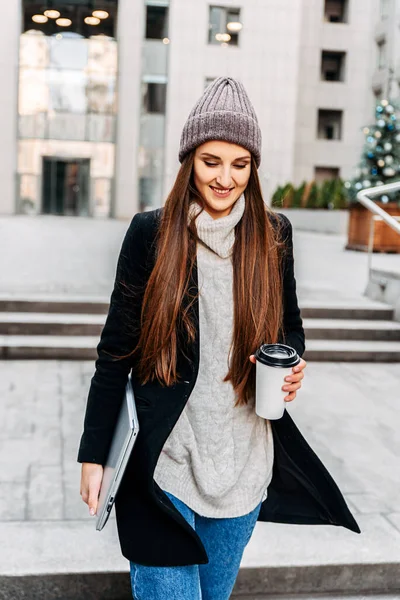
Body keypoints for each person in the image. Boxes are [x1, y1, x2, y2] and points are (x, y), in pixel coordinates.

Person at [78, 77, 360, 600]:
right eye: (211, 161)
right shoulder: (151, 234)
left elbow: (290, 326)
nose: (225, 177)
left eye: (239, 163)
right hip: (162, 463)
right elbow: (115, 351)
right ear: (189, 161)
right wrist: (94, 454)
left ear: (253, 168)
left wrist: (292, 362)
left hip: (242, 465)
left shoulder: (272, 236)